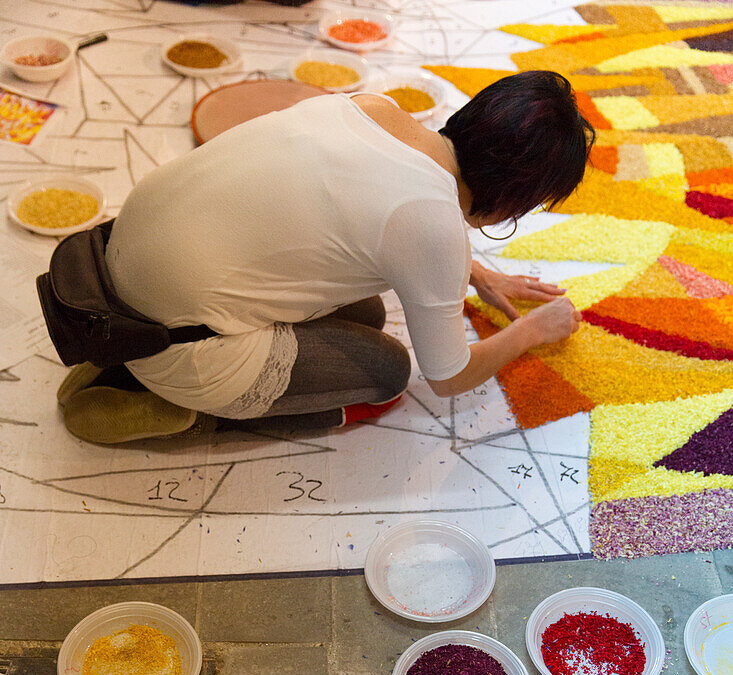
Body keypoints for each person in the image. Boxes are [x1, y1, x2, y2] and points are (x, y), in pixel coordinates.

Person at [58, 70, 594, 444]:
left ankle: (122, 366)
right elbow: (449, 376)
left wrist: (471, 270)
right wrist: (534, 330)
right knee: (388, 370)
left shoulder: (372, 107)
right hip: (179, 343)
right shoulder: (431, 224)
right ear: (515, 199)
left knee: (368, 313)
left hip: (111, 276)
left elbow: (393, 215)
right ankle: (180, 409)